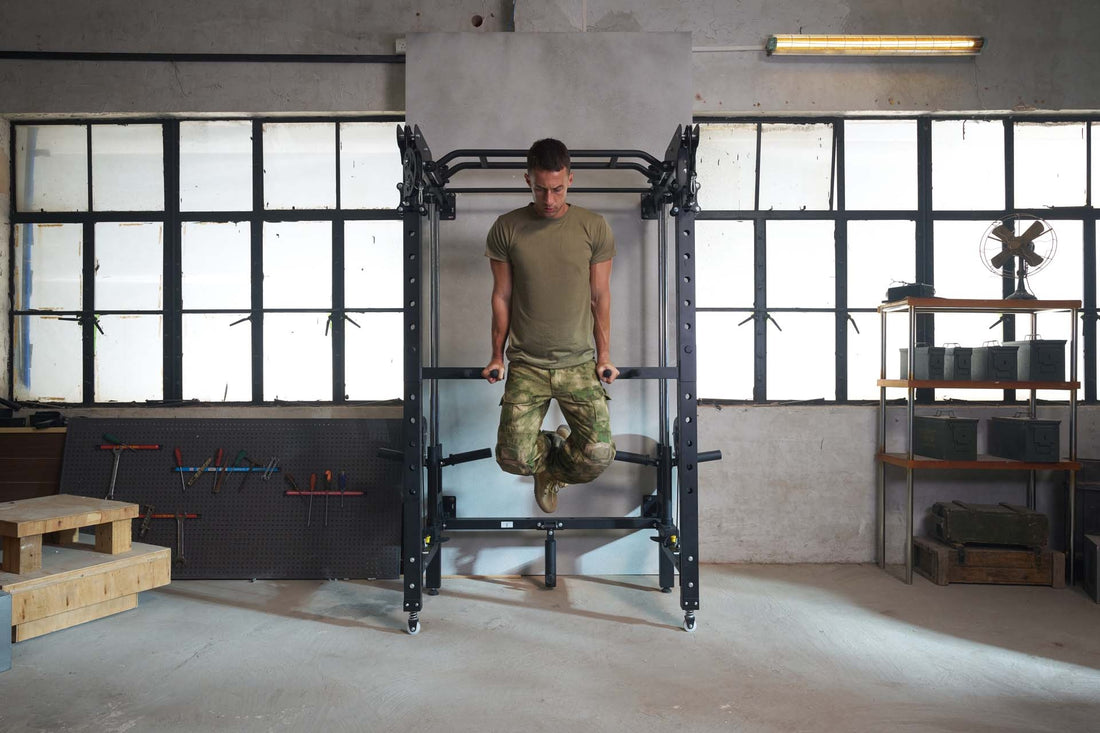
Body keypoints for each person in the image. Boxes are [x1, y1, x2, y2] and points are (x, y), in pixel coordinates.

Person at [481, 138, 619, 513]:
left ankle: (554, 468)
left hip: (577, 363)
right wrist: (496, 357)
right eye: (540, 189)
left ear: (570, 180)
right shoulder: (507, 228)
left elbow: (600, 297)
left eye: (557, 189)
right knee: (513, 457)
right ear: (528, 180)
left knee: (598, 453)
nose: (549, 199)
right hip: (527, 364)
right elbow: (502, 296)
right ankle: (546, 460)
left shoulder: (593, 227)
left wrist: (604, 355)